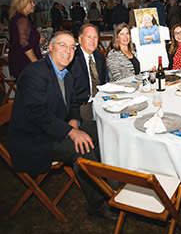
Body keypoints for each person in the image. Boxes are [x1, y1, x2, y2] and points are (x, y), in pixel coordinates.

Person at [8, 31, 117, 220]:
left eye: (72, 47)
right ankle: (97, 204)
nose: (68, 51)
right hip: (34, 139)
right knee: (82, 147)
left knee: (103, 129)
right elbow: (37, 114)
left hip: (56, 128)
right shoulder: (34, 73)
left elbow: (73, 105)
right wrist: (71, 132)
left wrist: (74, 121)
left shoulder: (65, 75)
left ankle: (111, 186)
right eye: (62, 45)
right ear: (50, 48)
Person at [68, 24, 106, 120]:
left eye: (95, 37)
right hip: (82, 104)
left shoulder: (100, 58)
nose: (92, 41)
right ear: (80, 40)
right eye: (89, 37)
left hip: (100, 100)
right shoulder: (72, 59)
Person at [9, 0, 44, 79]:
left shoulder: (19, 18)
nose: (33, 4)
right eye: (30, 2)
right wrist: (36, 63)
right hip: (25, 62)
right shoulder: (22, 20)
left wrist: (36, 40)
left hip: (21, 59)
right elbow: (24, 43)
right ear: (23, 4)